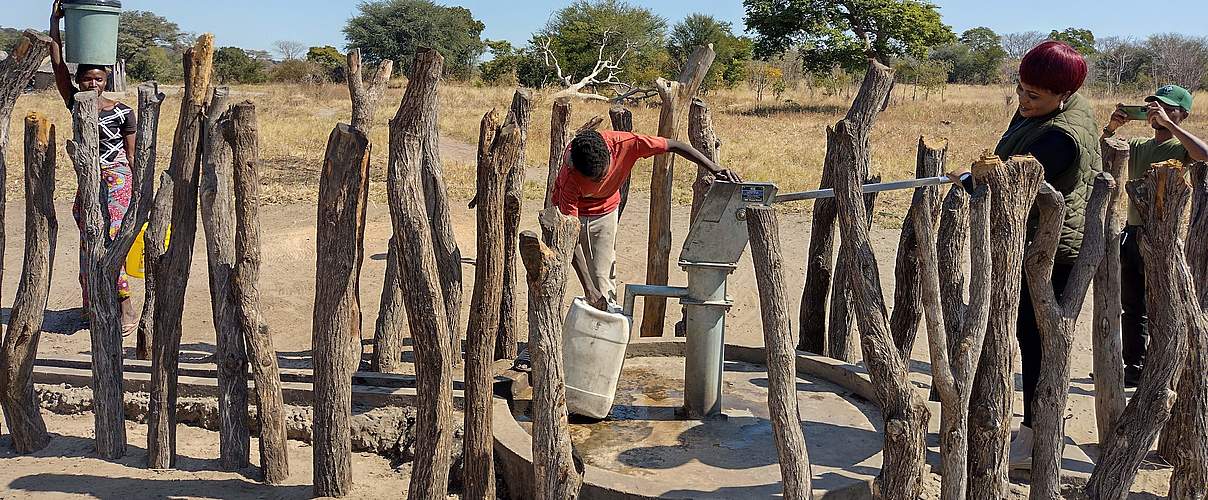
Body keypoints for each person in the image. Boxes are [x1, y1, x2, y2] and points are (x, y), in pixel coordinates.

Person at [949, 41, 1101, 471]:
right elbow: (1007, 157)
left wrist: (967, 178)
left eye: (1034, 95)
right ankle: (1015, 425)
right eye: (1020, 89)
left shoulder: (1061, 137)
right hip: (1027, 240)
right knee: (1021, 336)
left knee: (1036, 344)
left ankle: (1035, 436)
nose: (1023, 101)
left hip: (1049, 252)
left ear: (1064, 95)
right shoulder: (1045, 110)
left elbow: (1009, 184)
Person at [552, 129, 739, 310]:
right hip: (575, 215)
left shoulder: (626, 144)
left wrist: (715, 168)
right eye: (594, 180)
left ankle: (605, 332)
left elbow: (674, 145)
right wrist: (588, 288)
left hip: (606, 211)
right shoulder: (570, 176)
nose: (600, 180)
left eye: (603, 174)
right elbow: (570, 235)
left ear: (610, 154)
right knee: (560, 276)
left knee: (604, 282)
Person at [1102, 85, 1208, 386]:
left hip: (1161, 237)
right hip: (1132, 233)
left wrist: (1171, 125)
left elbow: (1205, 155)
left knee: (1162, 304)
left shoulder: (1180, 148)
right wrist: (1112, 126)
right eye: (1152, 106)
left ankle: (1161, 367)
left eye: (1165, 107)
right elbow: (1102, 151)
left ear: (1183, 113)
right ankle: (1133, 368)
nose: (1155, 111)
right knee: (1132, 307)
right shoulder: (1138, 145)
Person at [50, 0, 139, 335]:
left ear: (106, 80)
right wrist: (55, 23)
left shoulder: (122, 111)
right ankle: (94, 305)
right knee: (89, 241)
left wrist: (138, 188)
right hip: (88, 181)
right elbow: (58, 65)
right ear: (80, 81)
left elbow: (131, 155)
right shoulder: (75, 103)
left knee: (111, 238)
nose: (92, 85)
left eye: (98, 79)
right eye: (86, 79)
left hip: (116, 181)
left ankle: (125, 306)